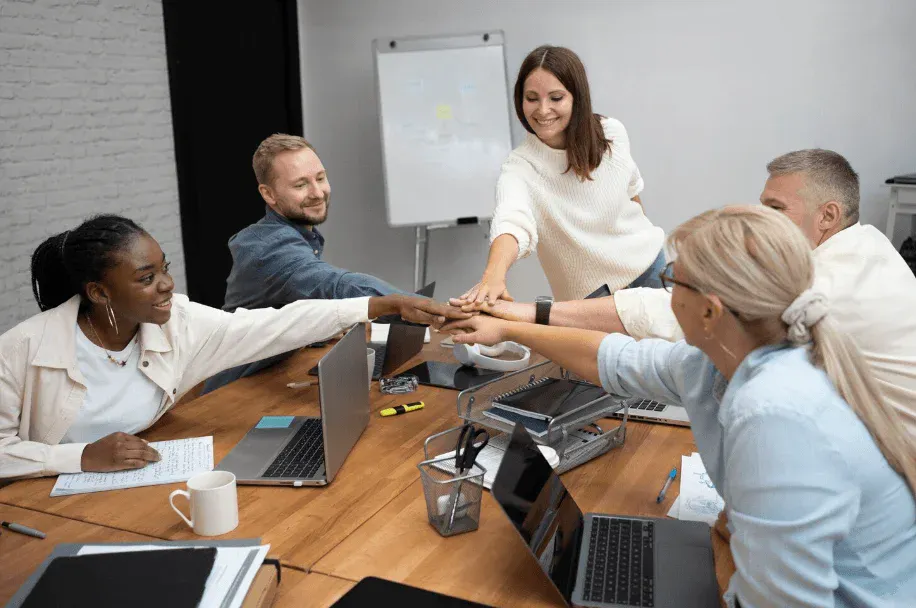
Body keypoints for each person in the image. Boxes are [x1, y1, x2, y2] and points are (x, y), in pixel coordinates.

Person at [443, 206, 916, 607]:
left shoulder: (774, 412)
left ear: (710, 311)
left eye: (674, 282)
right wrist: (509, 327)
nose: (668, 295)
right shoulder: (721, 363)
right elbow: (611, 357)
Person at [471, 149, 916, 433]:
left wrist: (526, 316)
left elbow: (659, 322)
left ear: (828, 215)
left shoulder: (822, 291)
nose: (762, 222)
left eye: (776, 209)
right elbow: (627, 359)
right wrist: (523, 322)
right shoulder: (868, 248)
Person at [0, 215, 466, 480]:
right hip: (49, 499)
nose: (166, 284)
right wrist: (79, 457)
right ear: (99, 292)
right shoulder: (21, 349)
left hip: (142, 474)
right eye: (146, 279)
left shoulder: (178, 321)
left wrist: (376, 304)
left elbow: (276, 325)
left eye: (163, 268)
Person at [455, 45, 665, 308]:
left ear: (576, 97)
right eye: (532, 98)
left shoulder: (611, 133)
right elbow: (511, 221)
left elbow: (632, 192)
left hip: (652, 271)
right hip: (591, 301)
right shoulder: (520, 167)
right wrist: (493, 276)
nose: (543, 110)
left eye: (556, 98)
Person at [203, 133, 409, 393]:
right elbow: (334, 284)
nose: (317, 193)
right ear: (269, 194)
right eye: (300, 185)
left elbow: (288, 309)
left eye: (320, 178)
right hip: (234, 390)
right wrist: (419, 306)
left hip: (275, 371)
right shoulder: (269, 247)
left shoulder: (299, 232)